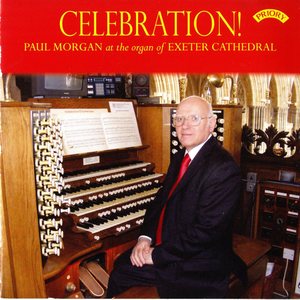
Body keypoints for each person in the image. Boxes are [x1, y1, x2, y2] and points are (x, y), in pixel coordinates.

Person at [107, 96, 246, 298]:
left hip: (198, 264)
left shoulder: (223, 168)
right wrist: (145, 238)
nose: (185, 126)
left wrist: (156, 255)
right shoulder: (182, 156)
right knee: (123, 262)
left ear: (211, 124)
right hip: (175, 247)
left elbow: (206, 233)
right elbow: (160, 202)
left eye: (194, 118)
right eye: (179, 119)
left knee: (121, 273)